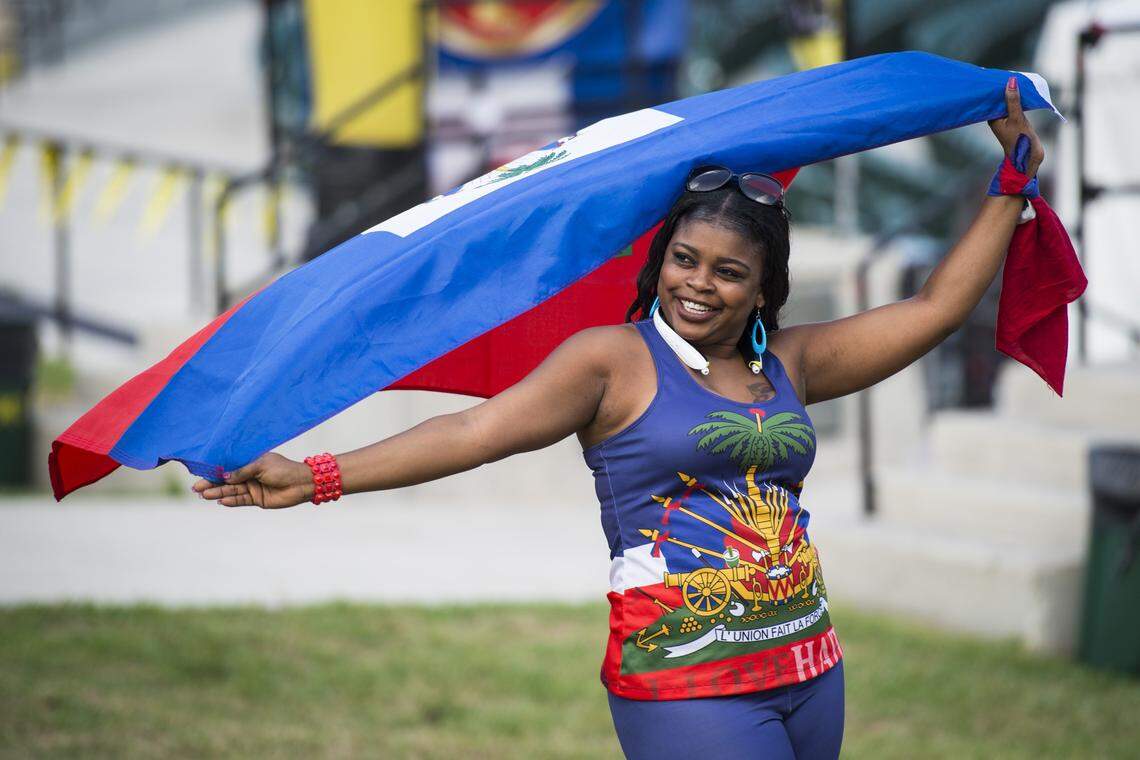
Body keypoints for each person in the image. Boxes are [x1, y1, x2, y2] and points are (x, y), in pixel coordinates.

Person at [193, 78, 1043, 759]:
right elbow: (473, 434)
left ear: (763, 287)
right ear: (660, 258)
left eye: (728, 272)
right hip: (689, 687)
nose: (698, 284)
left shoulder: (791, 362)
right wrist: (316, 476)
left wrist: (1012, 184)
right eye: (683, 260)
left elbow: (934, 310)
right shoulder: (608, 361)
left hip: (811, 669)